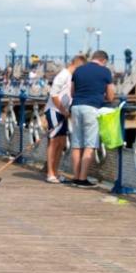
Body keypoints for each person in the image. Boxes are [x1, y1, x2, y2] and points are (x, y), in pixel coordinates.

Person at [68, 50, 115, 186]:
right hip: (92, 108)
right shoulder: (105, 71)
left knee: (76, 144)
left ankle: (76, 177)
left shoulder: (78, 70)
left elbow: (72, 92)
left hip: (76, 107)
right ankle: (82, 179)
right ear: (104, 60)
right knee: (90, 144)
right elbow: (111, 96)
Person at [45, 55, 85, 183]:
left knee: (61, 143)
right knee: (54, 141)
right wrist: (63, 110)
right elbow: (53, 94)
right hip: (54, 111)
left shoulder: (71, 77)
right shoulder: (63, 75)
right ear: (77, 65)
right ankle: (50, 173)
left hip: (63, 113)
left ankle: (55, 172)